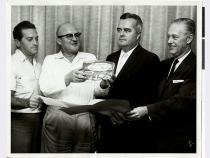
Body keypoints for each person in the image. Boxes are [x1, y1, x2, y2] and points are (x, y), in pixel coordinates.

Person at [125, 18, 196, 152]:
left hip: (178, 142)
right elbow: (150, 93)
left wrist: (147, 110)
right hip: (154, 139)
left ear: (189, 39)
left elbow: (182, 101)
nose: (169, 41)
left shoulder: (197, 67)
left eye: (175, 37)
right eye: (168, 36)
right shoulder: (163, 65)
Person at [39, 22, 108, 153]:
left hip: (85, 117)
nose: (75, 39)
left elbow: (98, 92)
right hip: (59, 116)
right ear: (59, 40)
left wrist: (103, 84)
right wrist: (67, 79)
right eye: (69, 36)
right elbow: (44, 90)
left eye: (77, 35)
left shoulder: (90, 58)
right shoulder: (50, 60)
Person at [97, 12, 161, 153]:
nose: (121, 34)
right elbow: (107, 93)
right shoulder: (110, 57)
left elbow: (150, 97)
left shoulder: (150, 59)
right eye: (119, 30)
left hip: (134, 130)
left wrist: (122, 116)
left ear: (138, 34)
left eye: (127, 30)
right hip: (110, 128)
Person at [11, 21, 43, 153]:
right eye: (30, 39)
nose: (35, 43)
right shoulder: (10, 63)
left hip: (39, 119)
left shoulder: (38, 65)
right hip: (19, 122)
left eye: (36, 38)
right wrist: (27, 102)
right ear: (18, 43)